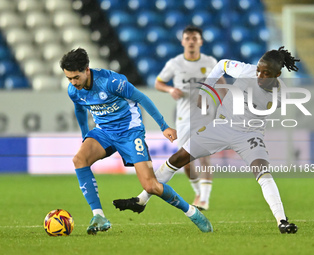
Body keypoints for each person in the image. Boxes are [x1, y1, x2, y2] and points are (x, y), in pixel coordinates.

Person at [113, 46, 299, 234]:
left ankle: (282, 221)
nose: (259, 75)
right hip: (221, 127)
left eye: (265, 73)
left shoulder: (282, 94)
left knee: (263, 173)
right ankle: (141, 200)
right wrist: (206, 89)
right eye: (259, 69)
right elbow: (221, 65)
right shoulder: (245, 70)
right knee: (177, 159)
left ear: (277, 74)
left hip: (249, 135)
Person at [59, 48, 213, 234]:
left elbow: (142, 98)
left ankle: (192, 212)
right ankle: (99, 215)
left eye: (76, 77)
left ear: (87, 70)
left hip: (130, 132)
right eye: (69, 78)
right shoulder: (74, 90)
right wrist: (85, 136)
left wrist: (164, 126)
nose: (73, 83)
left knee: (151, 186)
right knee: (79, 160)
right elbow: (80, 109)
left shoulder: (111, 82)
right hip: (104, 132)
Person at [154, 25, 226, 210]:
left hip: (206, 116)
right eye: (188, 38)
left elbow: (222, 85)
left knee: (204, 157)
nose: (191, 41)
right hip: (184, 118)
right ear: (182, 41)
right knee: (185, 163)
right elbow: (158, 82)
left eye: (195, 38)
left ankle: (205, 199)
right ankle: (197, 192)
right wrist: (170, 89)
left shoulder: (210, 62)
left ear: (201, 41)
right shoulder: (175, 63)